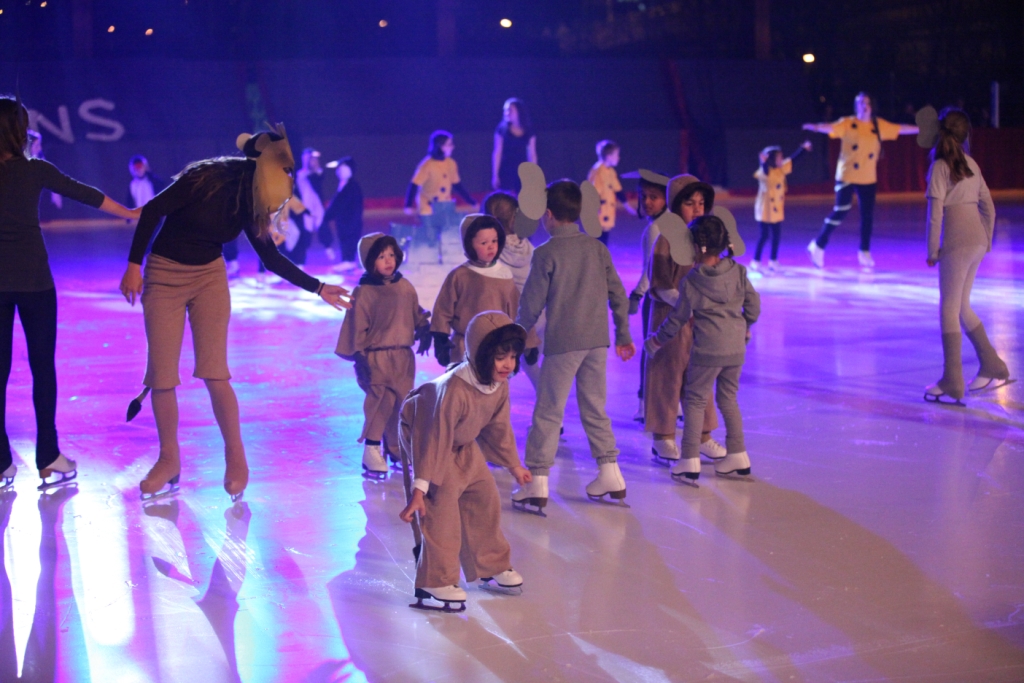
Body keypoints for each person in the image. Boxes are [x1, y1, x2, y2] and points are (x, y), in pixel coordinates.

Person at [119, 125, 350, 501]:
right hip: (164, 275)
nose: (287, 177)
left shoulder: (252, 198)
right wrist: (133, 264)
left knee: (215, 372)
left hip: (209, 278)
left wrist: (318, 287)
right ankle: (169, 459)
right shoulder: (205, 178)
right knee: (161, 375)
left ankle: (236, 458)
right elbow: (154, 210)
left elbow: (270, 257)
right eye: (283, 169)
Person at [0, 95, 140, 491]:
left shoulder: (33, 169)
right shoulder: (35, 170)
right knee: (42, 369)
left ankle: (1, 463)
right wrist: (130, 213)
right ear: (18, 131)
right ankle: (48, 457)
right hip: (35, 282)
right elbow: (84, 193)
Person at [512, 180, 635, 513]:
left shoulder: (546, 253)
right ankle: (610, 473)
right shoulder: (597, 248)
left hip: (564, 342)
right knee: (594, 406)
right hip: (596, 341)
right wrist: (623, 334)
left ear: (549, 215)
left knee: (549, 410)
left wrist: (517, 336)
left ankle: (537, 481)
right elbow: (618, 294)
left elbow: (531, 303)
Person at [398, 311, 532, 611]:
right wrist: (420, 490)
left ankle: (490, 565)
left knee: (484, 496)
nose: (508, 364)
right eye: (500, 357)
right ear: (481, 355)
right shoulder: (454, 389)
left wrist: (514, 465)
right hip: (427, 435)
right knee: (442, 505)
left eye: (512, 357)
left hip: (461, 441)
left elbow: (498, 427)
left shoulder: (498, 385)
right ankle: (435, 580)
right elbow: (434, 438)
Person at [646, 215, 761, 483]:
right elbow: (754, 306)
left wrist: (656, 341)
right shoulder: (739, 272)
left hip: (707, 350)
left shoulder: (693, 281)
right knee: (728, 399)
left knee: (695, 400)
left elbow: (677, 319)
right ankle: (738, 454)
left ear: (695, 247)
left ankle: (689, 460)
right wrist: (745, 327)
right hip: (735, 350)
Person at [922, 108, 1009, 403]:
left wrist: (932, 251)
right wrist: (986, 241)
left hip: (957, 243)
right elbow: (989, 207)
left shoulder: (939, 167)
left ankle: (952, 379)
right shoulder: (972, 163)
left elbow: (935, 215)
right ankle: (992, 363)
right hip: (977, 241)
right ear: (965, 135)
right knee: (962, 307)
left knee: (948, 308)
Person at [644, 175, 724, 467]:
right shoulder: (666, 239)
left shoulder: (705, 238)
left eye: (701, 203)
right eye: (690, 203)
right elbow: (661, 283)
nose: (697, 208)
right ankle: (663, 436)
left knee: (699, 377)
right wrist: (686, 304)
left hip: (699, 321)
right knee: (667, 375)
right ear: (677, 205)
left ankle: (702, 436)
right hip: (670, 318)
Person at [335, 233, 430, 477]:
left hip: (403, 358)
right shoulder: (364, 292)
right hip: (376, 358)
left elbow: (415, 312)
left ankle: (397, 448)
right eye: (380, 256)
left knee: (401, 404)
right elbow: (356, 325)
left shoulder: (404, 287)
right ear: (369, 261)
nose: (388, 261)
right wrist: (359, 356)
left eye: (391, 255)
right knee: (380, 403)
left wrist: (424, 328)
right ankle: (371, 449)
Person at [803, 92, 918, 269]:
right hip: (847, 174)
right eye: (860, 102)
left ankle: (864, 251)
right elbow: (831, 127)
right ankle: (818, 246)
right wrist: (816, 127)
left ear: (871, 105)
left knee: (867, 216)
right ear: (856, 106)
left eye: (866, 102)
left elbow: (900, 129)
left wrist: (920, 129)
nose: (863, 105)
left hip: (867, 176)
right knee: (841, 210)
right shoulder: (848, 123)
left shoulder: (878, 125)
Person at [430, 214, 524, 367]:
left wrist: (527, 342)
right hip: (464, 347)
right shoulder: (460, 275)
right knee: (463, 381)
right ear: (469, 244)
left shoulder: (504, 275)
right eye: (484, 243)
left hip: (497, 348)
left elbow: (517, 311)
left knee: (492, 380)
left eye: (494, 241)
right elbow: (443, 309)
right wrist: (440, 339)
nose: (491, 246)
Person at [484, 191, 544, 390]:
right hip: (538, 316)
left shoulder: (490, 252)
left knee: (499, 366)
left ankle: (494, 404)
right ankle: (549, 404)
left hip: (509, 319)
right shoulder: (528, 248)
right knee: (531, 365)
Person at [625, 170, 670, 422]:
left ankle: (644, 404)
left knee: (651, 348)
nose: (647, 202)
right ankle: (671, 403)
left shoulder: (655, 228)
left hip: (655, 297)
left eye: (654, 197)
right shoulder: (671, 223)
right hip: (672, 295)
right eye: (644, 196)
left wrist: (636, 294)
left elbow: (650, 269)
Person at [404, 131, 477, 247]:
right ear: (440, 146)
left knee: (446, 234)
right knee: (430, 235)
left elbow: (457, 184)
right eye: (449, 144)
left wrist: (470, 201)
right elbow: (414, 184)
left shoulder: (451, 163)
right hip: (428, 205)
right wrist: (408, 205)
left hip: (444, 204)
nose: (452, 147)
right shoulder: (427, 165)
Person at [750, 140, 812, 273]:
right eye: (778, 157)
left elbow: (793, 160)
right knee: (764, 236)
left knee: (776, 235)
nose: (781, 159)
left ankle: (773, 260)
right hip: (765, 209)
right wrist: (763, 161)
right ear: (771, 159)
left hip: (776, 209)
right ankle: (756, 261)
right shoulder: (765, 172)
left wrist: (803, 149)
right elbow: (765, 170)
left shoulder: (781, 169)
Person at [586, 140, 635, 245]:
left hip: (607, 212)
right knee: (597, 239)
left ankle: (602, 254)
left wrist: (628, 206)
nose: (618, 158)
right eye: (616, 155)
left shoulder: (611, 171)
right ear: (609, 156)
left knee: (604, 238)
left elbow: (618, 190)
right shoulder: (598, 170)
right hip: (599, 212)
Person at [322, 157, 363, 272]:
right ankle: (347, 261)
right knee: (344, 239)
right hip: (344, 221)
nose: (339, 171)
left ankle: (349, 261)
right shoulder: (344, 185)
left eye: (342, 169)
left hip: (350, 221)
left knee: (349, 240)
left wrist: (329, 214)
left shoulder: (352, 186)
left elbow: (340, 203)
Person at [491, 98, 538, 192]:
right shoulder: (501, 130)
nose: (507, 113)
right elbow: (497, 153)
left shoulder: (528, 130)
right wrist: (495, 175)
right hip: (506, 171)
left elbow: (532, 154)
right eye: (505, 110)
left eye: (510, 110)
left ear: (519, 111)